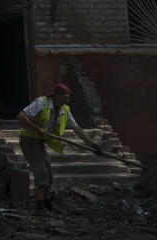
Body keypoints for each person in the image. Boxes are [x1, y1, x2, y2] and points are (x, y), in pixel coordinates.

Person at [17, 83, 100, 213]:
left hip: (41, 141)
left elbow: (77, 129)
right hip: (29, 139)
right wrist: (37, 129)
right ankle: (39, 208)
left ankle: (47, 204)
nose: (67, 100)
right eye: (65, 97)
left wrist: (93, 145)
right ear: (56, 95)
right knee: (41, 172)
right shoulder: (41, 102)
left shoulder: (64, 110)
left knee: (49, 173)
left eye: (68, 97)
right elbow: (21, 116)